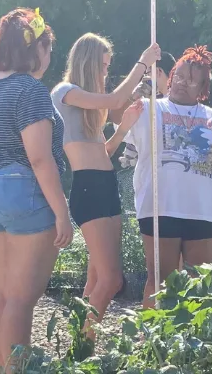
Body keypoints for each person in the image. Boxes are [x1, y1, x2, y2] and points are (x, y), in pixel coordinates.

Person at [0, 8, 71, 370]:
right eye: (48, 48)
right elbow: (40, 160)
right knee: (22, 300)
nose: (49, 57)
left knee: (4, 295)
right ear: (35, 48)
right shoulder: (30, 89)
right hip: (22, 191)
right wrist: (62, 212)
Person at [51, 35, 160, 333]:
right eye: (102, 66)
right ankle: (82, 347)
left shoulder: (90, 109)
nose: (105, 73)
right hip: (88, 189)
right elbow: (113, 100)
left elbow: (105, 152)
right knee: (112, 280)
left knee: (97, 278)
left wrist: (123, 126)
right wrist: (142, 62)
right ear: (86, 62)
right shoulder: (64, 92)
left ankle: (81, 344)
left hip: (105, 184)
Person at [125, 46, 212, 307]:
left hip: (203, 210)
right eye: (180, 76)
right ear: (171, 76)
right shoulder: (150, 108)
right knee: (159, 280)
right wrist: (133, 94)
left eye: (192, 80)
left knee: (202, 283)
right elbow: (118, 119)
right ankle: (150, 341)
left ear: (203, 88)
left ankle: (196, 343)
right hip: (160, 207)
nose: (183, 84)